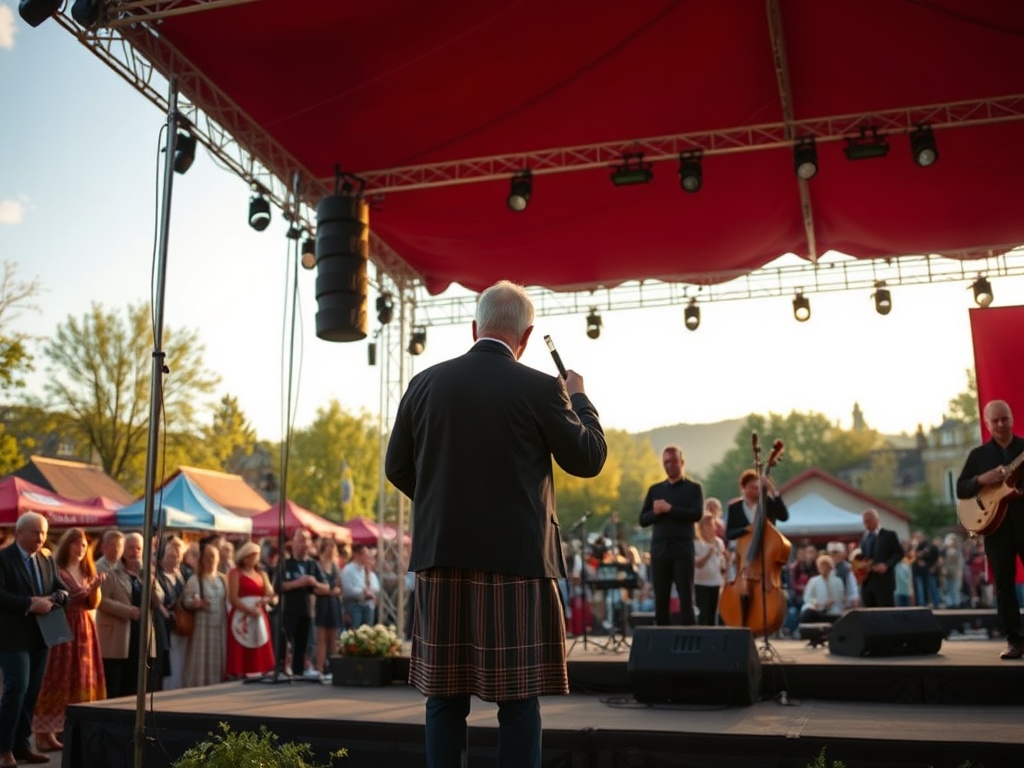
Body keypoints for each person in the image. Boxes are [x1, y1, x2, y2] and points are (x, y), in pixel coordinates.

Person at [385, 279, 607, 768]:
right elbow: (589, 458)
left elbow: (396, 468)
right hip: (518, 562)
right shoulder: (542, 387)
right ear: (526, 337)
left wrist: (445, 506)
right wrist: (579, 399)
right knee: (520, 700)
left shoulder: (424, 383)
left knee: (444, 698)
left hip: (442, 557)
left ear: (474, 327)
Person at [956, 399, 1024, 659]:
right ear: (986, 423)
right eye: (994, 420)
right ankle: (1015, 640)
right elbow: (961, 488)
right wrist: (980, 479)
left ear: (1011, 419)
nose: (1000, 424)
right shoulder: (978, 456)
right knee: (1004, 588)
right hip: (996, 530)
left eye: (1004, 419)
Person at [0, 512, 68, 767]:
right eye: (36, 532)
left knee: (31, 691)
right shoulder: (4, 558)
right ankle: (4, 748)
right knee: (17, 687)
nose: (41, 537)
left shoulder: (46, 558)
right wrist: (30, 604)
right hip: (12, 636)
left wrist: (57, 598)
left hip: (41, 635)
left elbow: (60, 587)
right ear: (19, 533)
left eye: (43, 533)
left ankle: (21, 745)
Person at [31, 528, 106, 753]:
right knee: (57, 678)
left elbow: (93, 604)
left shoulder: (87, 570)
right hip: (62, 626)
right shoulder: (57, 569)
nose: (81, 549)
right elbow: (57, 598)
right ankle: (44, 732)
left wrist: (96, 589)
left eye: (84, 545)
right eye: (77, 544)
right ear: (68, 545)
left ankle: (66, 728)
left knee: (81, 679)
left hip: (84, 629)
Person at [640, 445, 703, 626]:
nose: (670, 465)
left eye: (673, 461)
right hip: (660, 550)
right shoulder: (655, 490)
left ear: (682, 462)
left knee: (686, 599)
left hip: (683, 550)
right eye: (666, 462)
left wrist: (671, 509)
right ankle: (663, 642)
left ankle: (690, 642)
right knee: (661, 600)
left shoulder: (693, 488)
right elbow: (643, 520)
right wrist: (656, 513)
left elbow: (696, 514)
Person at [95, 532, 158, 699]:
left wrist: (145, 575)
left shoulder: (144, 571)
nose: (134, 552)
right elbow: (100, 601)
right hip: (117, 635)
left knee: (135, 686)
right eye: (130, 548)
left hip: (139, 635)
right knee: (115, 685)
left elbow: (159, 599)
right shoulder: (108, 568)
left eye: (138, 548)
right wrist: (127, 611)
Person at [276, 529, 329, 678]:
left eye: (306, 540)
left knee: (303, 645)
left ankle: (299, 671)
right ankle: (281, 669)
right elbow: (278, 587)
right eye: (300, 540)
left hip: (307, 611)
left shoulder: (313, 565)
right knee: (285, 642)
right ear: (293, 543)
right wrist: (298, 583)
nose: (303, 544)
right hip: (289, 610)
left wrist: (315, 584)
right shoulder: (285, 563)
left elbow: (326, 588)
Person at [226, 540, 276, 679]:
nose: (253, 559)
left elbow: (269, 593)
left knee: (259, 639)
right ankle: (240, 670)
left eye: (256, 555)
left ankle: (260, 668)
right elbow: (233, 597)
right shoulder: (235, 573)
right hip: (242, 614)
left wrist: (263, 601)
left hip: (258, 613)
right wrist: (248, 610)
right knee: (242, 641)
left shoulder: (262, 574)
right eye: (251, 555)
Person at [182, 541, 227, 687]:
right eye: (207, 557)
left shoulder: (222, 579)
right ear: (202, 559)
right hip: (201, 627)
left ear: (218, 558)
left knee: (217, 657)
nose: (210, 560)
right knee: (201, 657)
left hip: (219, 626)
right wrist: (196, 603)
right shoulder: (195, 579)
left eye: (213, 556)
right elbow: (185, 600)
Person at [156, 536, 188, 691]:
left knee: (181, 658)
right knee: (171, 658)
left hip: (182, 625)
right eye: (170, 557)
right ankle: (169, 687)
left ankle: (180, 686)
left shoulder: (182, 576)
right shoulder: (158, 577)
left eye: (176, 557)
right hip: (167, 625)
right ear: (162, 559)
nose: (173, 560)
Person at [725, 468, 789, 543]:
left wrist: (773, 491)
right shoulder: (734, 507)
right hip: (745, 548)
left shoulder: (767, 502)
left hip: (767, 546)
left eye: (758, 488)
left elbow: (784, 517)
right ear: (744, 488)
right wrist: (745, 529)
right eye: (753, 487)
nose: (757, 490)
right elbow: (730, 534)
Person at [856, 508, 904, 608]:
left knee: (886, 615)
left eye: (868, 521)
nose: (866, 525)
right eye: (864, 522)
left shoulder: (889, 535)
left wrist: (886, 565)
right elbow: (863, 557)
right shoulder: (864, 539)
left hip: (884, 583)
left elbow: (899, 553)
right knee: (870, 615)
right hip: (868, 583)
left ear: (876, 520)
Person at [312, 537, 343, 678]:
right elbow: (316, 588)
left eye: (333, 548)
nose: (332, 550)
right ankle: (320, 668)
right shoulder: (316, 565)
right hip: (321, 603)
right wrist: (330, 590)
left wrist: (333, 590)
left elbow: (339, 586)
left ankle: (335, 667)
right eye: (329, 547)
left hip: (334, 603)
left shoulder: (335, 566)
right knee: (321, 638)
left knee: (334, 638)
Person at [692, 512, 726, 626]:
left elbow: (722, 564)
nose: (714, 528)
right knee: (703, 614)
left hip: (715, 582)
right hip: (701, 583)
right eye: (711, 525)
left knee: (713, 614)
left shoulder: (719, 542)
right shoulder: (696, 543)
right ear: (704, 527)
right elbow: (697, 564)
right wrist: (708, 554)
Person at [797, 554, 846, 624]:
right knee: (807, 611)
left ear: (830, 568)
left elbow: (841, 597)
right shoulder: (813, 580)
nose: (824, 568)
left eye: (826, 566)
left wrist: (831, 602)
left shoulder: (838, 581)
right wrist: (816, 603)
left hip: (833, 609)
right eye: (821, 566)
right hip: (817, 609)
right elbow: (807, 597)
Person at [341, 543, 380, 630]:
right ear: (357, 555)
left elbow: (376, 587)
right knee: (355, 631)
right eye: (365, 554)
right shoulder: (348, 570)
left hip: (368, 605)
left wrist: (370, 591)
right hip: (355, 605)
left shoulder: (368, 570)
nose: (368, 557)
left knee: (368, 631)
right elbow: (347, 590)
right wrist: (362, 592)